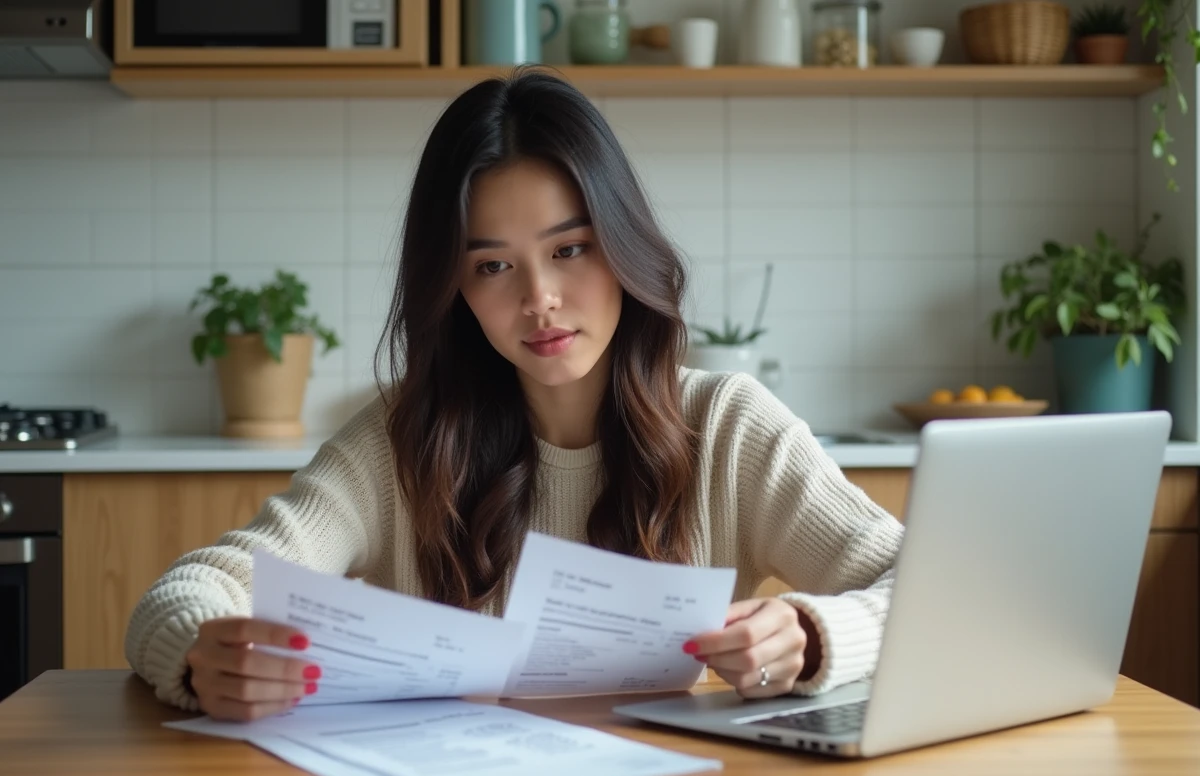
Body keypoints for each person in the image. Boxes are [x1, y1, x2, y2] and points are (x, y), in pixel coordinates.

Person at [125, 68, 904, 722]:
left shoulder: (730, 428)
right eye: (493, 266)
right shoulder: (403, 438)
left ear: (624, 247)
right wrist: (201, 655)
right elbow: (190, 588)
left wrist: (810, 631)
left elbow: (922, 587)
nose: (540, 300)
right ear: (453, 288)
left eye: (570, 250)